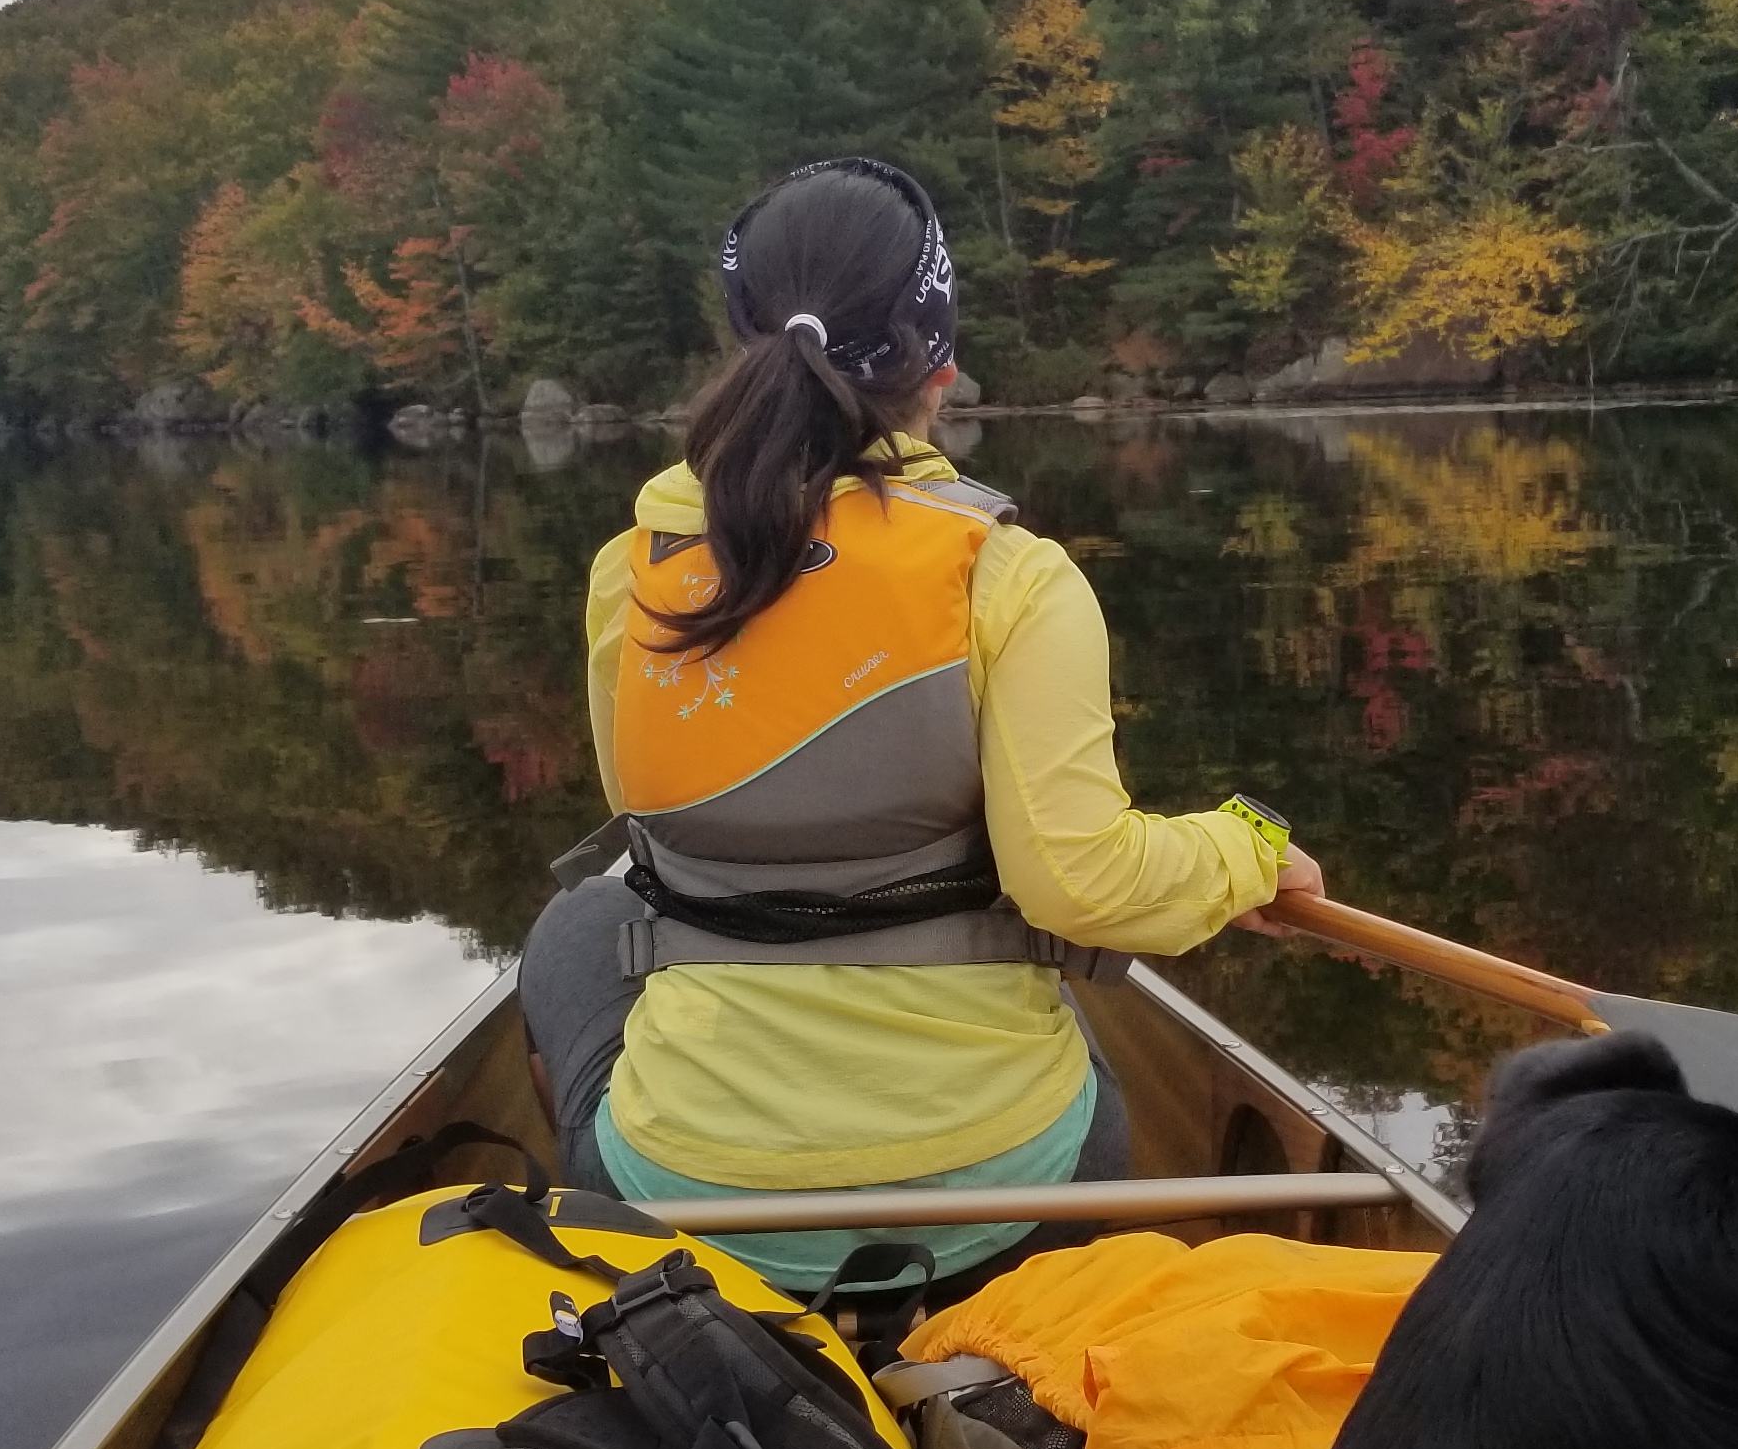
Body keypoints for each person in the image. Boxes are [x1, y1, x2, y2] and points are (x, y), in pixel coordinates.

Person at [519, 156, 1323, 1317]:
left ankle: (645, 1285)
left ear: (741, 343)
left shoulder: (630, 575)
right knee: (1060, 971)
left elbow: (654, 825)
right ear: (938, 356)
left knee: (585, 916)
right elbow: (1083, 886)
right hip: (1014, 1193)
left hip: (694, 1200)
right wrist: (1250, 841)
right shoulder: (1010, 575)